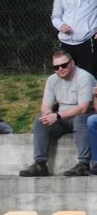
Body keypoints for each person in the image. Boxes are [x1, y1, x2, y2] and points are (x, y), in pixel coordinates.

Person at [20, 49, 96, 177]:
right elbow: (45, 105)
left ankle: (83, 164)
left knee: (80, 118)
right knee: (40, 119)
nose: (60, 69)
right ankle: (40, 164)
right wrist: (48, 114)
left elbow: (83, 108)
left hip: (83, 116)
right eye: (56, 67)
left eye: (63, 65)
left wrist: (58, 115)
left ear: (72, 63)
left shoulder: (84, 77)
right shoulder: (52, 80)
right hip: (62, 117)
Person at [51, 0, 97, 74]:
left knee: (90, 77)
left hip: (88, 40)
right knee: (66, 77)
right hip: (66, 42)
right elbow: (55, 16)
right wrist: (61, 26)